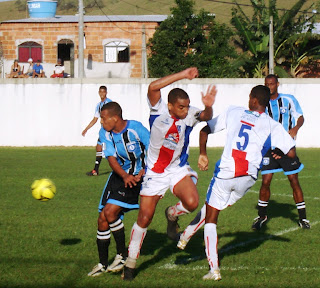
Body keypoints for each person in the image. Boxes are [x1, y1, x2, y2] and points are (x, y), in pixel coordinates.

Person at [122, 67, 217, 281]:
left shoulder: (190, 114)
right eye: (181, 107)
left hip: (177, 169)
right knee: (144, 218)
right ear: (170, 105)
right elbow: (153, 87)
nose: (185, 111)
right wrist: (183, 74)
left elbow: (205, 117)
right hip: (155, 173)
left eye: (187, 107)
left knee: (192, 202)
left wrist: (208, 107)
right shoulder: (157, 113)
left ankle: (172, 214)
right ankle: (130, 262)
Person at [197, 85, 297, 281]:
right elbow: (291, 152)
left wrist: (202, 153)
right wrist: (276, 151)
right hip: (248, 178)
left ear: (252, 99)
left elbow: (205, 129)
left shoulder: (234, 111)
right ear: (266, 103)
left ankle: (214, 269)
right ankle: (185, 236)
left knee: (211, 217)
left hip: (226, 173)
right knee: (220, 204)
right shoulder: (272, 124)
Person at [88, 102, 150, 277]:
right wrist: (123, 175)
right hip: (119, 176)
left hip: (136, 178)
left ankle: (122, 255)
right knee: (102, 219)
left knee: (110, 212)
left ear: (115, 118)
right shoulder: (105, 132)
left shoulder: (136, 129)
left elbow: (154, 149)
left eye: (103, 118)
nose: (101, 122)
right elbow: (111, 158)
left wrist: (145, 170)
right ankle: (102, 263)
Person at [251, 74, 310, 230]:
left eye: (272, 84)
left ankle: (303, 218)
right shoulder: (261, 103)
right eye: (266, 84)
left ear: (277, 84)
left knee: (293, 180)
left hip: (286, 147)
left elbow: (300, 117)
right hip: (269, 148)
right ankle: (262, 216)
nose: (269, 86)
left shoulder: (288, 99)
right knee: (266, 181)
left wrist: (295, 129)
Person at [82, 86, 112, 176]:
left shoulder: (109, 103)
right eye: (100, 92)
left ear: (106, 92)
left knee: (113, 149)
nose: (102, 94)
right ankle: (95, 170)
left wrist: (105, 120)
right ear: (99, 93)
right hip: (103, 129)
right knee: (98, 147)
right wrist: (86, 129)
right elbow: (95, 119)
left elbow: (113, 115)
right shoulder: (99, 105)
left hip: (109, 129)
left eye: (103, 92)